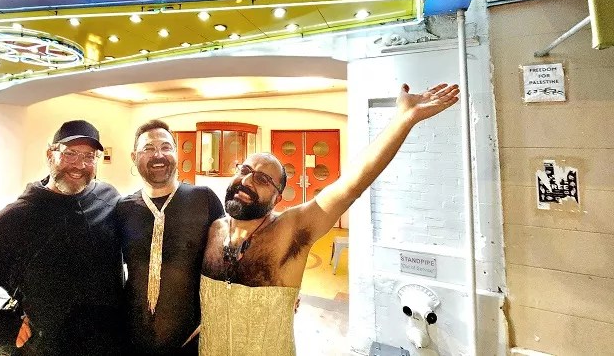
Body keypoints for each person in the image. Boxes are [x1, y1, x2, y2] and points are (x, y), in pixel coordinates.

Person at [199, 83, 461, 355]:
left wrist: (404, 119)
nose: (247, 181)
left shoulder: (290, 230)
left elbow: (349, 187)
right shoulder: (213, 229)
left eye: (263, 179)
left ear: (278, 198)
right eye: (244, 170)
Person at [0, 120, 125, 355]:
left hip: (107, 342)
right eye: (70, 154)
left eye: (89, 156)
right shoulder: (18, 217)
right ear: (51, 154)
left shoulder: (108, 198)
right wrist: (3, 329)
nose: (79, 165)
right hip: (46, 347)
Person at [116, 119, 224, 355]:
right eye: (148, 148)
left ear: (175, 152)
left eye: (166, 147)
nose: (158, 155)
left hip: (191, 340)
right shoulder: (123, 209)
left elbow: (233, 254)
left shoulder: (204, 200)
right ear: (134, 157)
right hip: (132, 341)